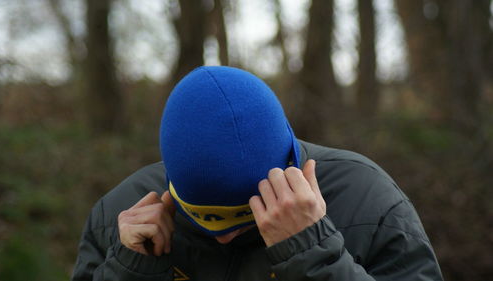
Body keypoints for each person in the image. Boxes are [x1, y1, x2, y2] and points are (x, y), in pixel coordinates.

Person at [71, 66, 443, 281]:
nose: (224, 238)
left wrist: (313, 254)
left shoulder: (366, 201)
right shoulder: (119, 217)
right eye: (201, 218)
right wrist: (128, 270)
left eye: (245, 217)